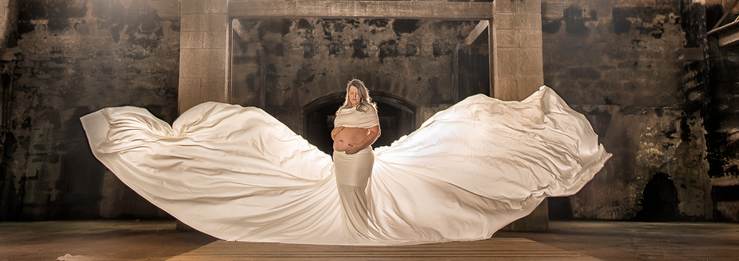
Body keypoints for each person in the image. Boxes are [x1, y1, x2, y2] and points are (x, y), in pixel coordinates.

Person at [81, 84, 610, 245]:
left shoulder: (366, 141)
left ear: (373, 128)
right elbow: (345, 147)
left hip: (356, 176)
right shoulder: (348, 136)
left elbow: (356, 150)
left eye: (350, 119)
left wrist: (358, 118)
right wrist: (350, 122)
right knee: (254, 135)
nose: (339, 131)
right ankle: (164, 149)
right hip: (343, 174)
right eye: (338, 120)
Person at [329, 79, 380, 238]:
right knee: (344, 190)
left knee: (355, 189)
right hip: (340, 157)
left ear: (362, 94)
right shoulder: (342, 110)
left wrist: (359, 146)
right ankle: (350, 233)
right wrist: (335, 134)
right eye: (351, 93)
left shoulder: (367, 109)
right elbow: (335, 131)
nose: (354, 96)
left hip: (359, 155)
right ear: (348, 94)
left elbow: (375, 132)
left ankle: (361, 233)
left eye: (357, 93)